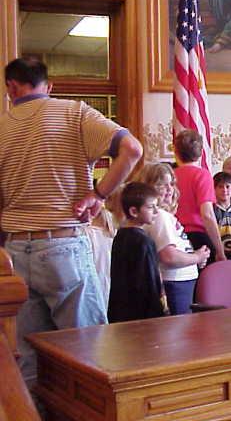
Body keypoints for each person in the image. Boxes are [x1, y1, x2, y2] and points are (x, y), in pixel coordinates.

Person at [1, 57, 142, 385]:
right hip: (63, 244)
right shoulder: (73, 112)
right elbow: (132, 149)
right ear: (48, 86)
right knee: (91, 353)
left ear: (11, 87)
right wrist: (99, 194)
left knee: (30, 360)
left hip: (14, 253)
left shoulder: (2, 126)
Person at [134, 163, 210, 315]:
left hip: (180, 282)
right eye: (162, 185)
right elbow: (169, 256)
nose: (169, 189)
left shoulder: (165, 216)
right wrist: (196, 257)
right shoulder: (160, 216)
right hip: (174, 283)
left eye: (171, 184)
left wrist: (194, 256)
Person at [108, 182, 169, 323]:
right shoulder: (144, 242)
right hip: (143, 314)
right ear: (134, 211)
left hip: (121, 310)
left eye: (156, 206)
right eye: (150, 207)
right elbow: (150, 281)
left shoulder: (120, 236)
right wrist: (159, 310)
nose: (156, 212)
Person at [174, 129, 226, 265]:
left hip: (174, 237)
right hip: (198, 238)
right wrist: (220, 250)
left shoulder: (170, 176)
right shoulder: (202, 175)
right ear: (200, 152)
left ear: (176, 152)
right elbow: (207, 214)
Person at [213, 171, 231, 255]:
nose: (224, 190)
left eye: (227, 186)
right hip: (218, 252)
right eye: (220, 187)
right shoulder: (211, 210)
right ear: (214, 189)